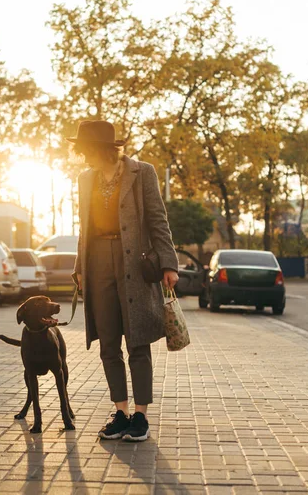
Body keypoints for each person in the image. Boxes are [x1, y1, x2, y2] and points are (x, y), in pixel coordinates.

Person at [67, 120, 179, 442]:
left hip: (135, 262)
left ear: (101, 148)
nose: (82, 157)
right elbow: (84, 228)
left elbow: (158, 219)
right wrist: (79, 267)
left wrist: (168, 263)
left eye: (85, 150)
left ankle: (140, 416)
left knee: (138, 340)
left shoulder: (141, 172)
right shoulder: (85, 179)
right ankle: (120, 411)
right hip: (97, 260)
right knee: (108, 342)